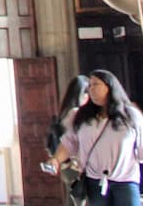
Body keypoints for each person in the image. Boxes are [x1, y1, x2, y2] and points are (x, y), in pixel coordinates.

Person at [57, 70, 143, 206]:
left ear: (109, 87)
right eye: (90, 86)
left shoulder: (130, 115)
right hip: (94, 181)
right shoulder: (82, 117)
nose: (91, 89)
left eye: (95, 85)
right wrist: (55, 160)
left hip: (125, 181)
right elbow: (69, 141)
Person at [45, 75, 89, 206]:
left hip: (65, 165)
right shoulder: (75, 113)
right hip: (74, 163)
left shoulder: (63, 112)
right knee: (78, 199)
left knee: (74, 197)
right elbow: (73, 140)